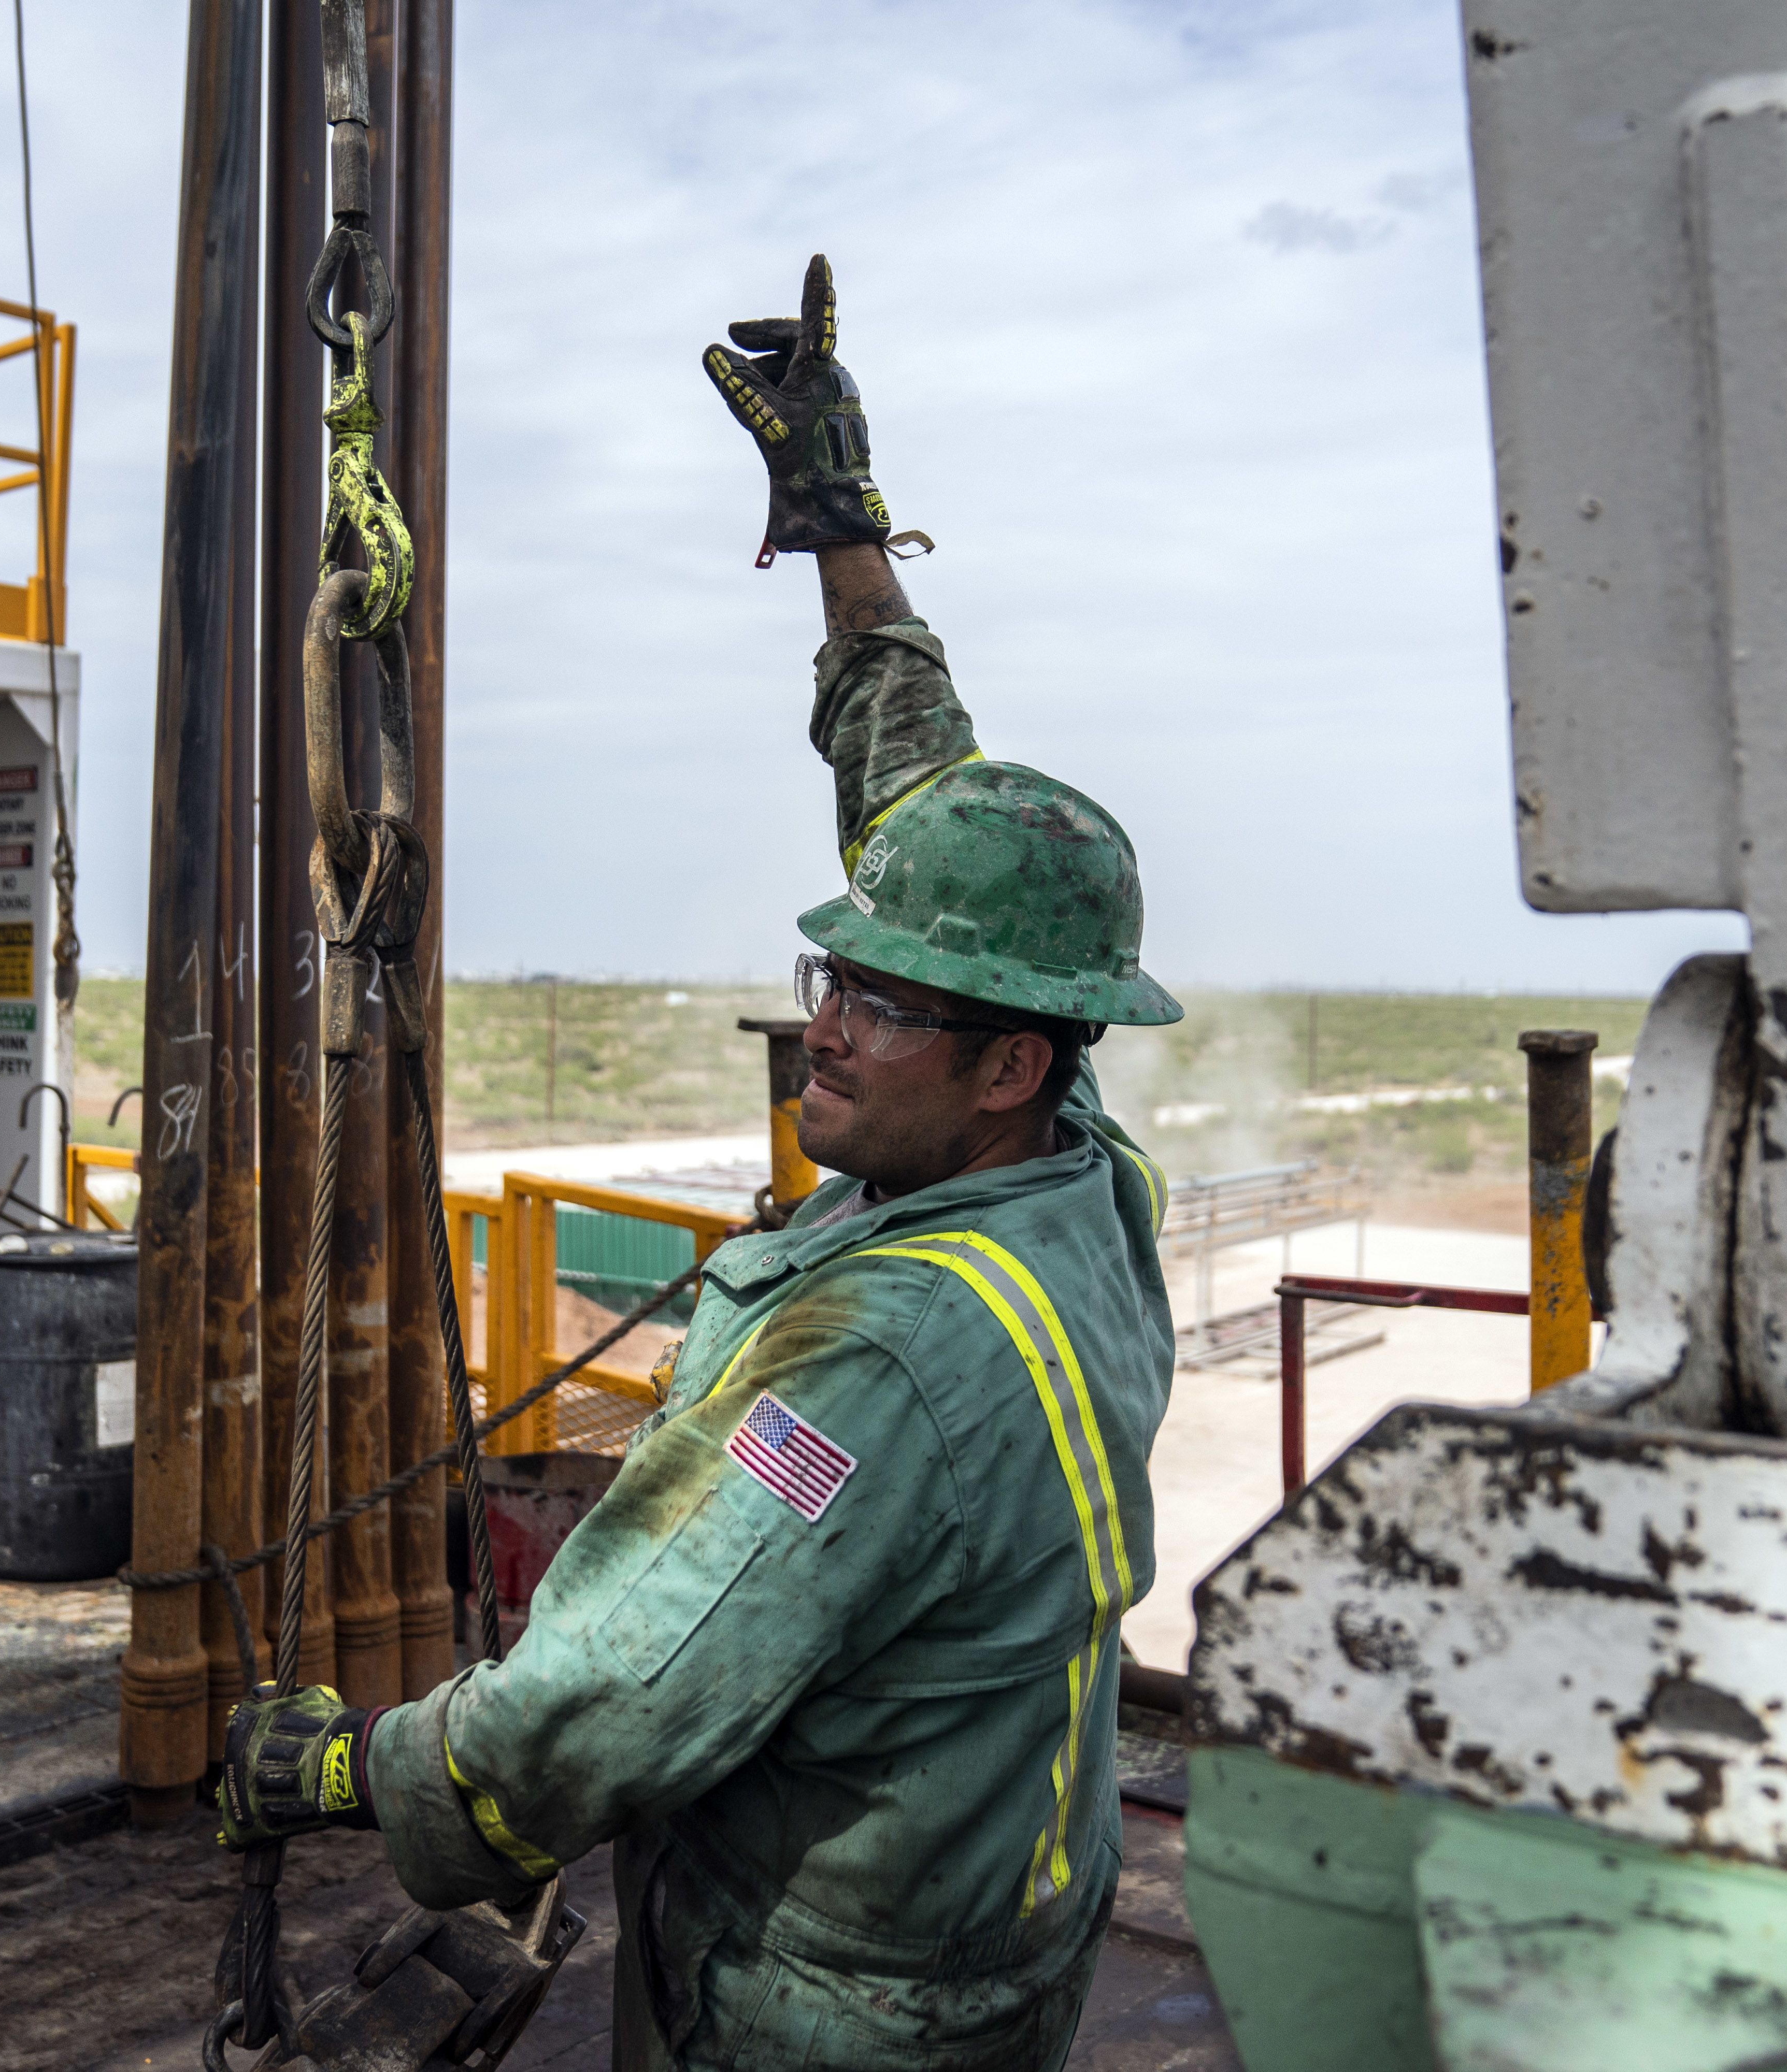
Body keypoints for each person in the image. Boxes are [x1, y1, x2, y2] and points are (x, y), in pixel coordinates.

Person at [219, 256, 1184, 2071]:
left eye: (878, 1008)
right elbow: (925, 796)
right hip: (1003, 1901)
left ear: (1002, 1063)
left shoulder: (886, 1355)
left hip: (831, 2007)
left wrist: (346, 1768)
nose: (822, 1025)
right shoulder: (1082, 1174)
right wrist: (844, 527)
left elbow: (615, 1699)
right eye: (833, 976)